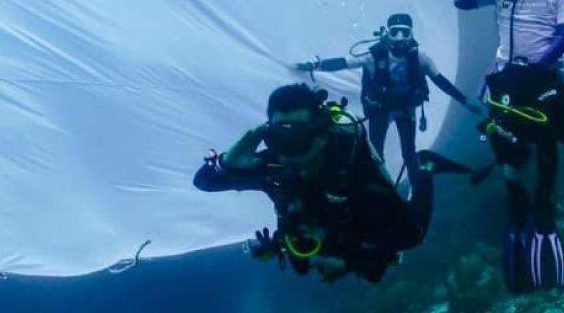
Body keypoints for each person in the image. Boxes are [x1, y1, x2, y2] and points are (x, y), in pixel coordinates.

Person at [193, 84, 469, 283]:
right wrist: (234, 155)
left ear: (321, 133)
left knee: (411, 237)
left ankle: (425, 166)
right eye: (279, 135)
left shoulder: (349, 165)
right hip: (317, 227)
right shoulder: (272, 166)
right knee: (303, 263)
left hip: (358, 220)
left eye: (298, 136)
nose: (289, 150)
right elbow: (204, 182)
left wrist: (350, 260)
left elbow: (395, 235)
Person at [454, 0, 564, 292]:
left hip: (543, 78)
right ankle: (518, 218)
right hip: (507, 79)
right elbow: (461, 1)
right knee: (509, 149)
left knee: (546, 140)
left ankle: (545, 215)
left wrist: (538, 63)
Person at [295, 13, 481, 188]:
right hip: (380, 108)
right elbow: (344, 62)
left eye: (405, 32)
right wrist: (315, 65)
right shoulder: (372, 56)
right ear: (388, 34)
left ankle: (415, 190)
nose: (400, 38)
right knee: (376, 152)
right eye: (395, 32)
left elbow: (440, 80)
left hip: (405, 108)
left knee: (409, 152)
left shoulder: (420, 58)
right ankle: (378, 187)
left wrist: (464, 100)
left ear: (411, 35)